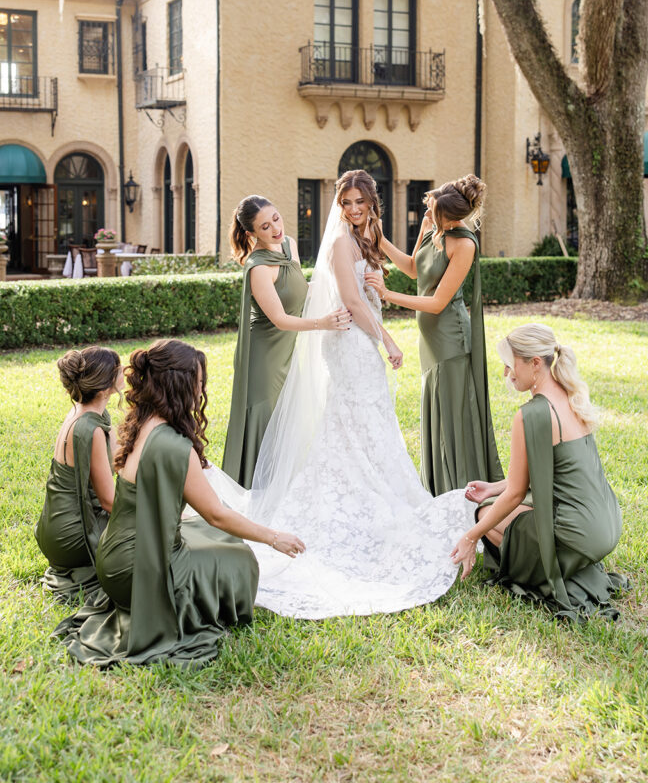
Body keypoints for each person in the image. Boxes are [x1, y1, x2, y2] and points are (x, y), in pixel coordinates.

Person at [196, 170, 475, 619]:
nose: (353, 208)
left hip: (360, 339)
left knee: (364, 422)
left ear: (371, 201)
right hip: (352, 341)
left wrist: (421, 234)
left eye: (360, 200)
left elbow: (402, 268)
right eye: (346, 201)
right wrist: (387, 340)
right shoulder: (343, 242)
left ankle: (377, 495)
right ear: (339, 205)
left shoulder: (367, 236)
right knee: (356, 418)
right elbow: (352, 298)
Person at [54, 339, 305, 667]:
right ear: (181, 385)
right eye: (198, 382)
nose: (201, 390)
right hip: (140, 568)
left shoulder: (139, 422)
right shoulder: (174, 446)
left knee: (204, 532)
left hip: (111, 558)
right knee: (237, 556)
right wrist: (274, 538)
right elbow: (217, 515)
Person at [450, 324, 628, 621]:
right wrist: (493, 488)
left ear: (534, 363)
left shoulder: (530, 415)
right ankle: (571, 563)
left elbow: (516, 493)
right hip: (606, 525)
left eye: (511, 365)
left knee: (485, 515)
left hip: (580, 533)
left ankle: (553, 568)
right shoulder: (571, 396)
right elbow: (547, 472)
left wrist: (471, 536)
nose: (507, 373)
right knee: (504, 502)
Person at [365, 175, 503, 494]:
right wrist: (379, 238)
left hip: (452, 340)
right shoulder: (433, 228)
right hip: (430, 342)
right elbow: (414, 268)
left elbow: (439, 303)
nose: (427, 212)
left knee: (454, 417)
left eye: (433, 209)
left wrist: (387, 295)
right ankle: (439, 487)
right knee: (438, 412)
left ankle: (462, 489)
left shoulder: (464, 243)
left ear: (451, 215)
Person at [223, 194, 350, 485]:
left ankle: (280, 489)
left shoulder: (289, 245)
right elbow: (280, 319)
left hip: (287, 354)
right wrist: (324, 323)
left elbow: (297, 290)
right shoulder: (258, 268)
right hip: (264, 358)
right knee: (266, 421)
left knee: (286, 423)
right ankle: (253, 491)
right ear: (251, 233)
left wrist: (342, 285)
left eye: (276, 218)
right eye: (264, 226)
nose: (275, 229)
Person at [35, 346, 123, 601]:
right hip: (73, 535)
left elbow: (119, 459)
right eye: (118, 368)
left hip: (54, 525)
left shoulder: (84, 411)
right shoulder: (90, 429)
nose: (124, 372)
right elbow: (109, 501)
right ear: (106, 386)